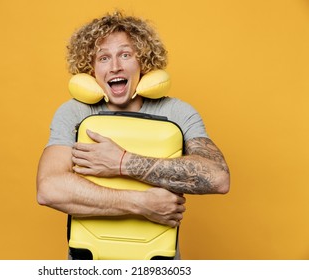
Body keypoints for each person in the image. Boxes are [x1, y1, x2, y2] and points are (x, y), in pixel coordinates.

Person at [36, 11, 230, 259]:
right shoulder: (74, 112)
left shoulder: (177, 112)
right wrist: (142, 204)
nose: (115, 66)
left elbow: (218, 178)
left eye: (125, 55)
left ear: (143, 61)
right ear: (91, 69)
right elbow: (49, 189)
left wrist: (121, 162)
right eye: (103, 58)